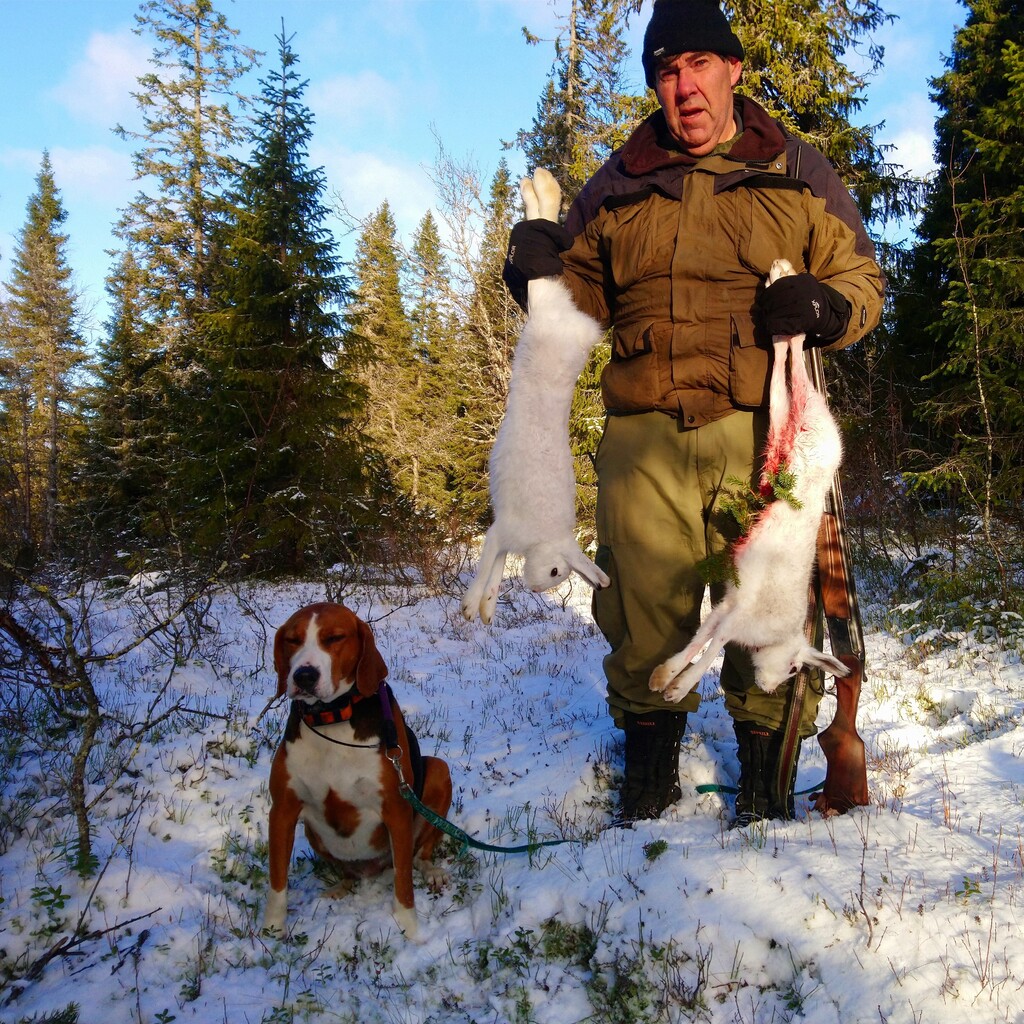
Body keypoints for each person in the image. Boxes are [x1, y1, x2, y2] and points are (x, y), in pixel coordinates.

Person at [503, 0, 884, 824]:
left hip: (766, 430)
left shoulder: (797, 169)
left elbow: (863, 287)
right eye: (667, 71)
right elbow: (576, 306)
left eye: (699, 65)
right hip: (646, 437)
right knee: (643, 613)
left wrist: (822, 306)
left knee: (770, 607)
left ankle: (764, 781)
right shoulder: (617, 183)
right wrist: (537, 271)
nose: (685, 88)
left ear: (733, 69)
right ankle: (647, 782)